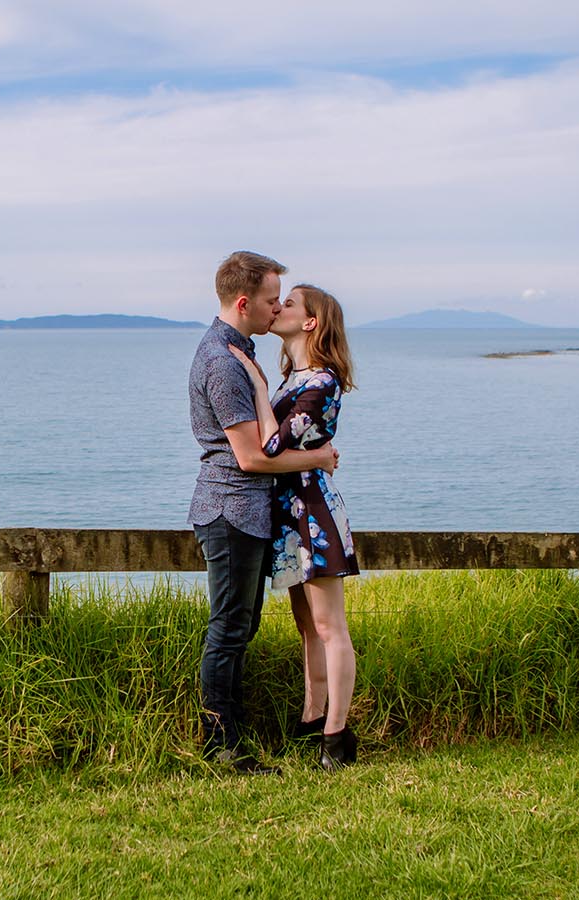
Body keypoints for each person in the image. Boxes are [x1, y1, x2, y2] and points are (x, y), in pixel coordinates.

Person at [189, 251, 340, 774]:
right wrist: (319, 457)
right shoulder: (224, 363)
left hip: (247, 514)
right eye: (274, 299)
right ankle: (223, 748)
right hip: (230, 509)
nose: (278, 307)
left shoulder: (239, 352)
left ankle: (230, 734)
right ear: (246, 301)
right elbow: (252, 456)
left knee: (241, 626)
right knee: (230, 628)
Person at [227, 283, 360, 770]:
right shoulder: (295, 380)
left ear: (310, 322)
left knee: (329, 626)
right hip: (289, 511)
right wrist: (319, 453)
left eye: (289, 304)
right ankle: (311, 718)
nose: (278, 307)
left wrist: (260, 391)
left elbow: (272, 448)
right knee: (307, 627)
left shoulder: (320, 381)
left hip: (313, 513)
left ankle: (337, 736)